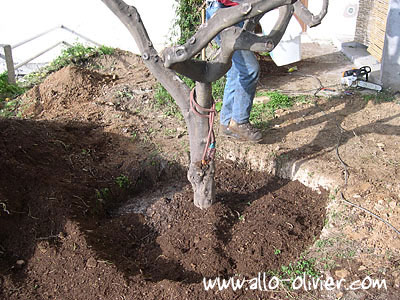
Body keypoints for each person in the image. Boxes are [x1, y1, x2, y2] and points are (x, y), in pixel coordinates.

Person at [206, 0, 262, 143]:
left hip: (226, 14)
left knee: (236, 70)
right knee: (250, 70)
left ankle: (227, 122)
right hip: (225, 16)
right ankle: (239, 121)